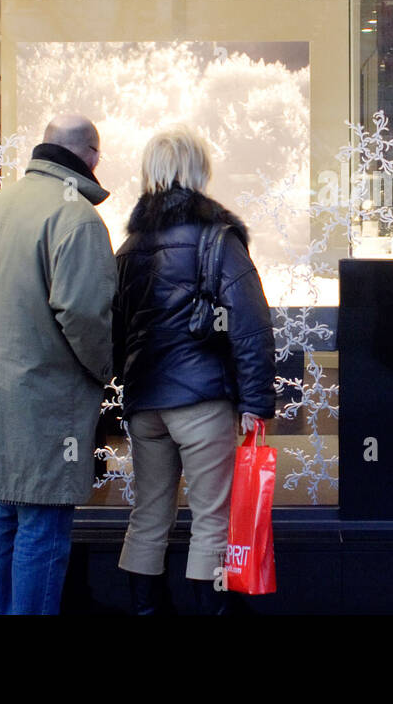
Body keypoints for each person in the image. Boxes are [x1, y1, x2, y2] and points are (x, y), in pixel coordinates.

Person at [0, 113, 116, 615]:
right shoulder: (76, 218)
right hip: (44, 399)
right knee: (43, 527)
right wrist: (106, 369)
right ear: (91, 158)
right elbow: (83, 315)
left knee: (6, 520)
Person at [113, 126, 276, 615]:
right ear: (198, 170)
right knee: (212, 519)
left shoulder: (128, 251)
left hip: (146, 405)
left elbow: (114, 331)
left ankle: (147, 611)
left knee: (148, 517)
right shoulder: (217, 239)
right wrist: (255, 402)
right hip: (202, 402)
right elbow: (250, 325)